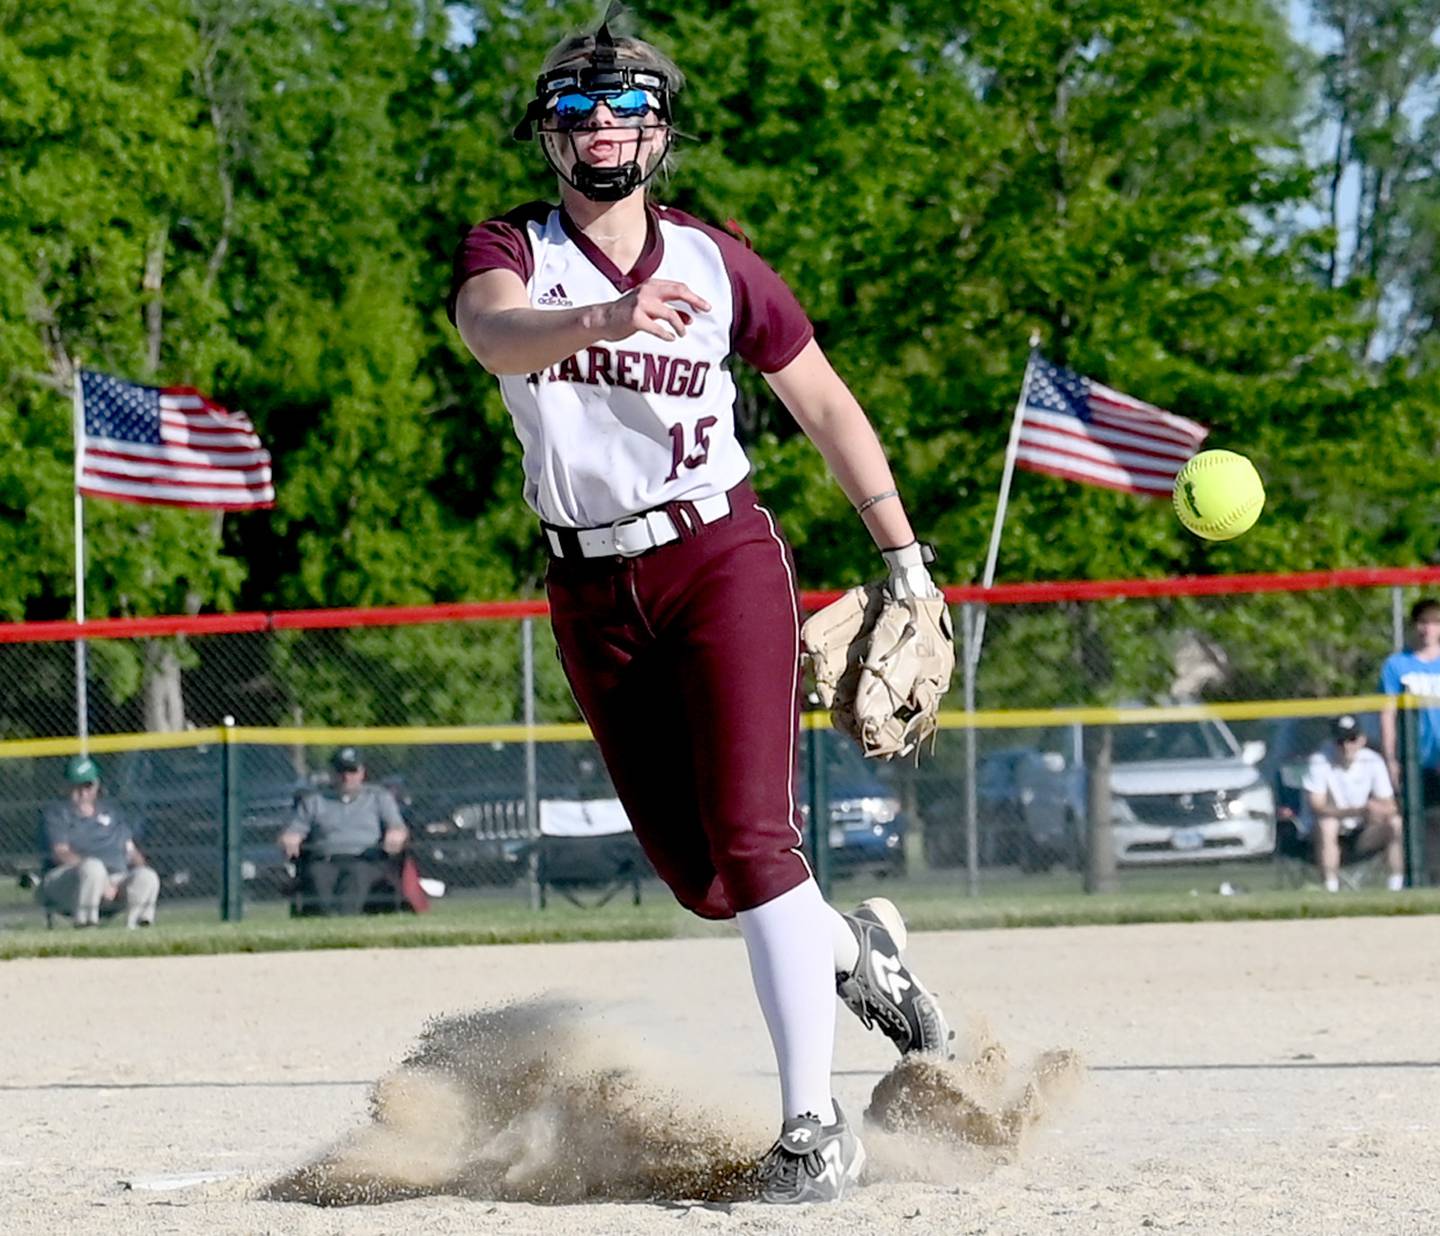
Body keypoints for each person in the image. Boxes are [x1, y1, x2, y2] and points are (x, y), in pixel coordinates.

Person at [447, 13, 953, 1204]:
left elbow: (824, 403)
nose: (602, 131)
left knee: (754, 840)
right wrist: (602, 321)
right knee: (702, 878)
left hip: (717, 555)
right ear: (547, 136)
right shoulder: (509, 246)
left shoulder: (718, 262)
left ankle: (811, 1129)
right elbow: (491, 335)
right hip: (588, 584)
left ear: (660, 132)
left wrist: (905, 559)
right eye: (577, 110)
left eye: (625, 109)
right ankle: (859, 957)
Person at [278, 748, 409, 916]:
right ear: (331, 773)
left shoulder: (378, 797)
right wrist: (290, 839)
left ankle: (345, 922)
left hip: (365, 860)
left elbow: (398, 827)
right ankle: (328, 923)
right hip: (326, 860)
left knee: (356, 875)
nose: (347, 777)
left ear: (362, 772)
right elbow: (294, 831)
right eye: (341, 771)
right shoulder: (314, 800)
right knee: (318, 876)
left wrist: (396, 834)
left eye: (352, 771)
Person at [38, 754, 160, 928]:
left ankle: (136, 928)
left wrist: (140, 867)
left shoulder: (111, 813)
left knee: (147, 876)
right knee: (92, 868)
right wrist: (102, 879)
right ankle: (85, 925)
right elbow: (60, 853)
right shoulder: (57, 814)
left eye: (87, 786)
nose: (82, 792)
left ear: (96, 786)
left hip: (115, 879)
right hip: (69, 879)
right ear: (65, 787)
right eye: (76, 786)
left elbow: (131, 850)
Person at [1300, 716, 1405, 893]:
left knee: (1395, 823)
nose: (1346, 746)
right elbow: (1317, 805)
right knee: (1328, 824)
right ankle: (1331, 889)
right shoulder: (1320, 760)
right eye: (1340, 741)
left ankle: (1395, 886)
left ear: (1362, 740)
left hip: (1361, 834)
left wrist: (1377, 809)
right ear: (1333, 741)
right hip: (1321, 837)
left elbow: (1390, 805)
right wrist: (1358, 811)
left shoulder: (1372, 760)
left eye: (1352, 739)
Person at [1379, 597, 1440, 880]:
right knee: (1419, 820)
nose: (1428, 629)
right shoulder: (1397, 665)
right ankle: (1424, 878)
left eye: (1435, 623)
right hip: (1417, 759)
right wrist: (1391, 758)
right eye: (1423, 623)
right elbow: (1388, 714)